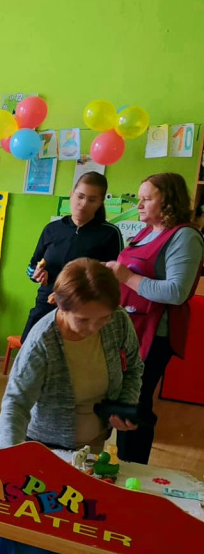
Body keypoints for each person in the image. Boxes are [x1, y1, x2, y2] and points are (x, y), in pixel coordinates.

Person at [0, 259, 143, 554]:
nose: (95, 327)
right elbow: (15, 403)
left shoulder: (117, 322)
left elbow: (134, 367)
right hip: (45, 444)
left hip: (92, 441)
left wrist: (123, 405)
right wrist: (10, 457)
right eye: (84, 320)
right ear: (60, 306)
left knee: (79, 518)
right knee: (44, 521)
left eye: (102, 318)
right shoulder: (43, 341)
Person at [106, 172, 204, 464]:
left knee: (136, 401)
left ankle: (133, 467)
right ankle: (120, 463)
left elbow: (177, 292)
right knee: (124, 399)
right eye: (139, 198)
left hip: (154, 334)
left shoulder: (185, 237)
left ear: (169, 202)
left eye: (147, 199)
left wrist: (127, 277)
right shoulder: (145, 232)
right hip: (129, 328)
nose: (139, 204)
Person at [23, 172, 122, 341]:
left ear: (100, 202)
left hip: (83, 312)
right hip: (46, 304)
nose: (83, 204)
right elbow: (32, 266)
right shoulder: (52, 229)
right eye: (80, 197)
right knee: (32, 348)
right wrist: (37, 274)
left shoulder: (109, 233)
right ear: (71, 194)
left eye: (92, 200)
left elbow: (113, 279)